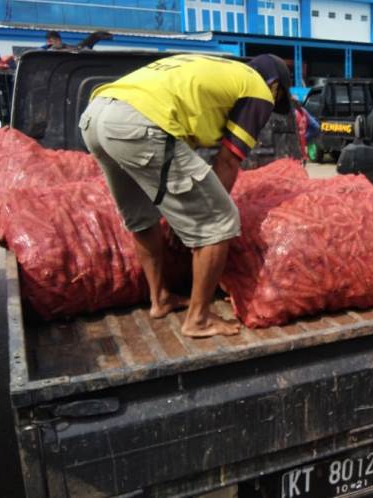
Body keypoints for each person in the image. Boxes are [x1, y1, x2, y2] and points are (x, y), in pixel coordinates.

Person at [79, 54, 292, 337]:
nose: (269, 108)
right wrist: (202, 218)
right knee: (218, 220)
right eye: (276, 99)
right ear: (274, 85)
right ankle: (199, 320)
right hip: (138, 122)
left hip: (96, 115)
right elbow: (228, 160)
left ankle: (160, 300)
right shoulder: (258, 88)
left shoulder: (219, 70)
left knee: (142, 217)